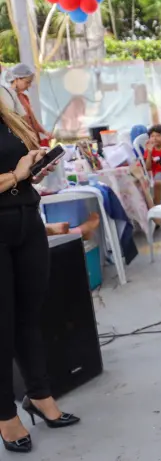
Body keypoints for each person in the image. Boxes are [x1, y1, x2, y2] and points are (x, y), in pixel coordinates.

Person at [1, 99, 79, 455]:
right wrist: (16, 175)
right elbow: (13, 173)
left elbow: (18, 168)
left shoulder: (7, 117)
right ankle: (5, 415)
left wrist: (33, 169)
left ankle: (39, 395)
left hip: (27, 221)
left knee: (29, 320)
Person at [0, 64, 51, 147]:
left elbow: (32, 120)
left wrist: (44, 132)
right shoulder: (6, 96)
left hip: (31, 137)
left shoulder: (23, 97)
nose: (29, 86)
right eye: (27, 82)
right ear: (16, 79)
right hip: (23, 139)